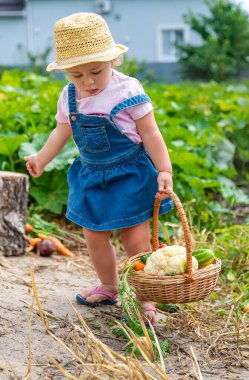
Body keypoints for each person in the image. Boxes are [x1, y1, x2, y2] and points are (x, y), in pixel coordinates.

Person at [25, 12, 174, 324]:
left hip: (129, 174)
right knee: (94, 235)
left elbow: (150, 133)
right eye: (77, 75)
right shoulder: (68, 96)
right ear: (66, 72)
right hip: (92, 175)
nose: (88, 82)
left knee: (135, 240)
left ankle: (146, 298)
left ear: (112, 62)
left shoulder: (127, 90)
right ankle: (109, 286)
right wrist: (41, 158)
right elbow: (61, 133)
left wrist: (165, 170)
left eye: (96, 71)